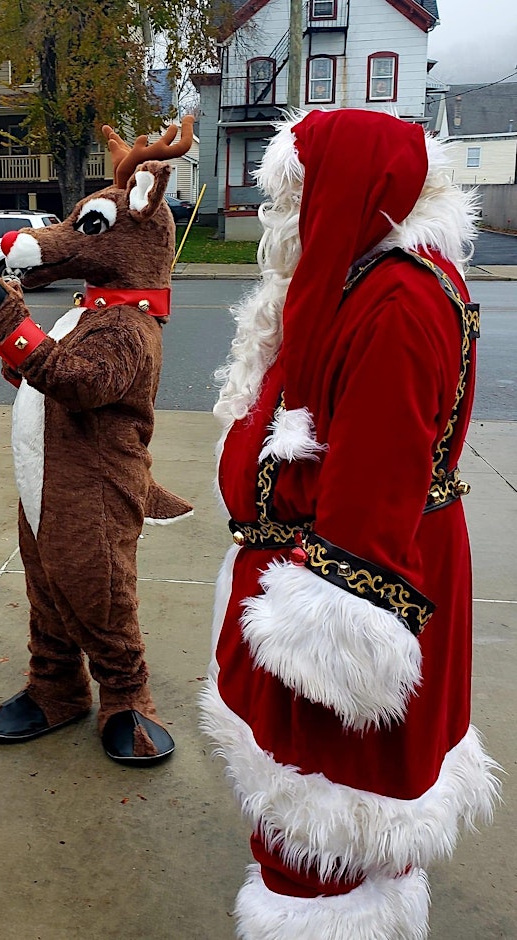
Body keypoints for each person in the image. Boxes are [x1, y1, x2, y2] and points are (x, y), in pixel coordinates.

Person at [201, 109, 501, 939]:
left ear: (349, 189)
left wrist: (320, 643)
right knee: (325, 828)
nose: (282, 217)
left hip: (344, 602)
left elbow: (372, 496)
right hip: (309, 569)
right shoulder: (363, 280)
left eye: (295, 194)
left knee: (327, 815)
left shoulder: (398, 302)